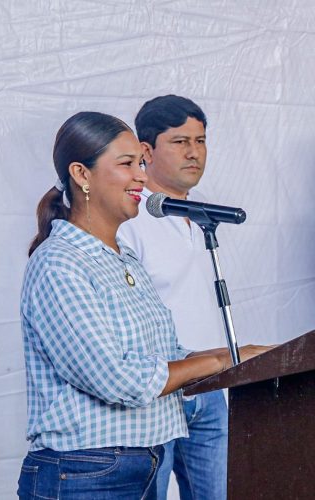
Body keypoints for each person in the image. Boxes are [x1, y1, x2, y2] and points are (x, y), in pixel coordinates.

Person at [18, 111, 263, 498]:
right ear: (82, 174)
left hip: (137, 463)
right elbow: (119, 378)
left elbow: (161, 354)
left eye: (142, 164)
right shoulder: (59, 262)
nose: (142, 177)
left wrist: (243, 353)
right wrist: (222, 360)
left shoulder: (124, 257)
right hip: (84, 475)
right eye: (127, 164)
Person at [117, 95, 229, 500]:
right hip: (157, 392)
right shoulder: (128, 217)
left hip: (211, 387)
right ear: (145, 150)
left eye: (200, 141)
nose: (194, 152)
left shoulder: (201, 217)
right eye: (180, 141)